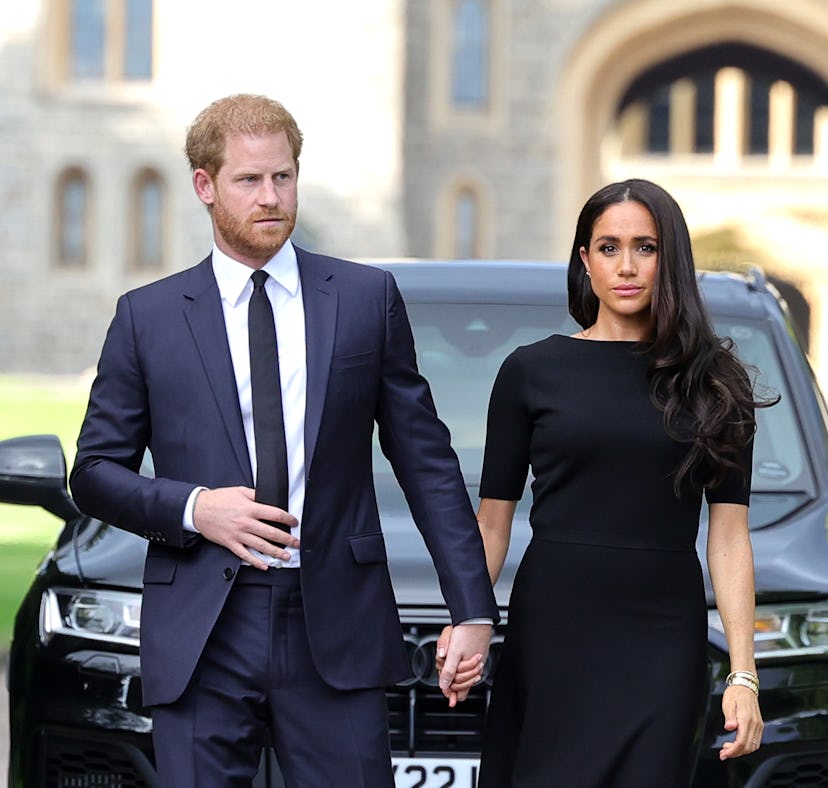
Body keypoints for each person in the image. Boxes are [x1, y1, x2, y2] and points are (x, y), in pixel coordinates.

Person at [70, 93, 497, 788]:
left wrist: (471, 609)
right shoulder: (147, 318)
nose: (270, 197)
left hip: (334, 618)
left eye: (283, 177)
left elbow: (426, 463)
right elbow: (93, 472)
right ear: (205, 186)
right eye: (249, 180)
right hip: (203, 623)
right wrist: (195, 508)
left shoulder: (364, 299)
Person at [438, 179, 772, 786]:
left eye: (645, 247)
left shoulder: (715, 382)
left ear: (670, 259)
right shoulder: (530, 373)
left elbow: (728, 538)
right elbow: (492, 521)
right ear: (584, 260)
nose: (626, 265)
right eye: (609, 246)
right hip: (553, 631)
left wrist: (743, 674)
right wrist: (466, 619)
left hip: (662, 638)